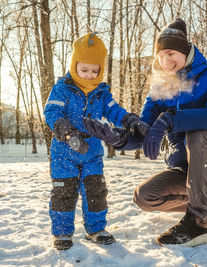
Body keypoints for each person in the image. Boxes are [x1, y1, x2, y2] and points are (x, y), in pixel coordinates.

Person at [84, 18, 207, 247]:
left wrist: (170, 119)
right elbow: (143, 130)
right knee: (144, 196)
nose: (165, 60)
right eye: (160, 55)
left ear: (185, 52)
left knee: (197, 133)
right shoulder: (160, 90)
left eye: (170, 53)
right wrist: (117, 138)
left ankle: (199, 223)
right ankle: (203, 200)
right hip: (187, 170)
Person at [44, 32, 148, 250]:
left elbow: (114, 112)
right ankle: (62, 233)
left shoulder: (101, 93)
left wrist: (130, 120)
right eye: (84, 70)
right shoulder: (62, 88)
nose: (90, 75)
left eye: (95, 71)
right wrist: (69, 134)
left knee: (96, 191)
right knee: (64, 192)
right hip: (64, 154)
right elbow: (52, 112)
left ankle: (95, 229)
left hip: (92, 153)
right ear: (74, 65)